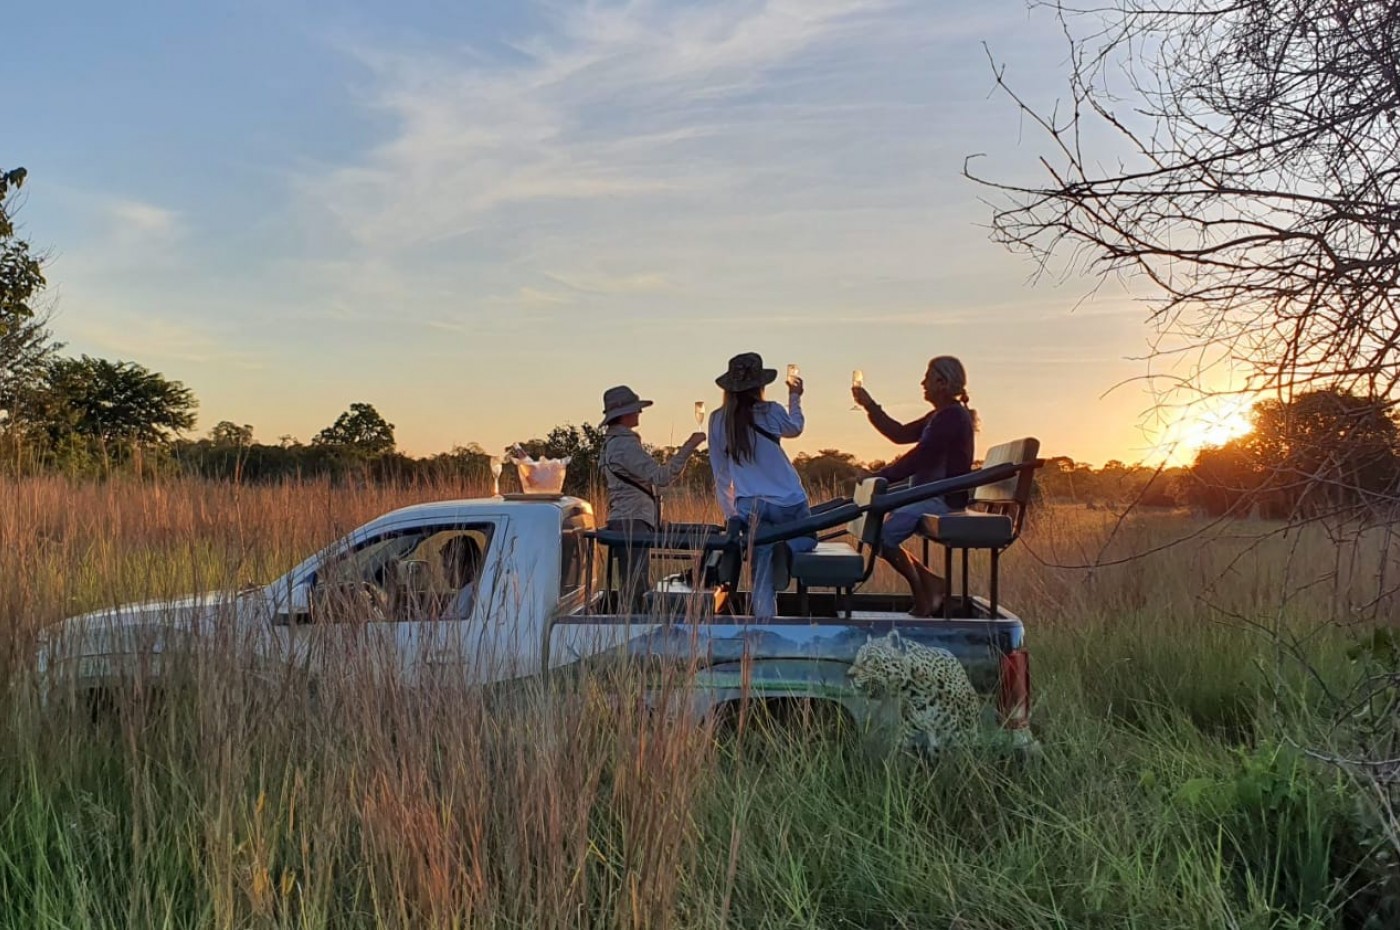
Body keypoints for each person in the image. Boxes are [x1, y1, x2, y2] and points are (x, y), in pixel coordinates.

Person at [853, 356, 977, 617]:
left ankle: (927, 589)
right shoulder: (940, 415)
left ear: (942, 383)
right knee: (878, 532)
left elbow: (922, 456)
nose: (923, 383)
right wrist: (869, 405)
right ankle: (931, 583)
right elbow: (899, 434)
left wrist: (880, 476)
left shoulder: (952, 416)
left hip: (939, 499)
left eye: (928, 378)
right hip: (927, 495)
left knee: (882, 536)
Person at [708, 352, 815, 619]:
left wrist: (732, 515)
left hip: (750, 506)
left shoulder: (718, 419)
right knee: (809, 537)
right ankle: (789, 549)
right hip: (789, 500)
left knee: (761, 569)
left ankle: (765, 624)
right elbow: (795, 428)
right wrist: (795, 396)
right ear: (761, 385)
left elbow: (720, 473)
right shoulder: (772, 410)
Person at [598, 385, 705, 610]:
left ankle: (633, 622)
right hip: (632, 522)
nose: (639, 413)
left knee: (634, 582)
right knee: (636, 585)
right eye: (635, 409)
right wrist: (689, 446)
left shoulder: (613, 443)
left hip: (627, 520)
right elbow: (661, 476)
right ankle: (633, 627)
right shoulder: (624, 445)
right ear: (624, 414)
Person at [440, 533, 483, 620]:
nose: (444, 575)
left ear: (465, 566)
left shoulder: (468, 596)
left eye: (446, 567)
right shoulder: (470, 591)